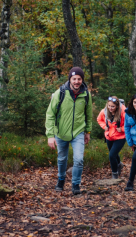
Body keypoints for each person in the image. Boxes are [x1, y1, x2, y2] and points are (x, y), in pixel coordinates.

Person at [45, 67, 92, 195]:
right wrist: (50, 135)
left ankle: (75, 184)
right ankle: (61, 180)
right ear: (70, 79)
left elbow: (88, 115)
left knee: (79, 159)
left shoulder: (86, 94)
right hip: (60, 132)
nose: (77, 81)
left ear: (82, 80)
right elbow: (50, 114)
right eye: (74, 79)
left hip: (78, 132)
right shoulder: (59, 93)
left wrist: (87, 132)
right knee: (62, 158)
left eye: (79, 79)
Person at [97, 96, 126, 179]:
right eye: (109, 106)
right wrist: (104, 126)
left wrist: (122, 129)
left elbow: (129, 124)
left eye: (112, 106)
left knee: (112, 155)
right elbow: (99, 119)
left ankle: (115, 173)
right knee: (114, 154)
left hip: (120, 136)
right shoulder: (104, 111)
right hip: (109, 136)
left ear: (117, 106)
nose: (110, 108)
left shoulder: (123, 112)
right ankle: (119, 164)